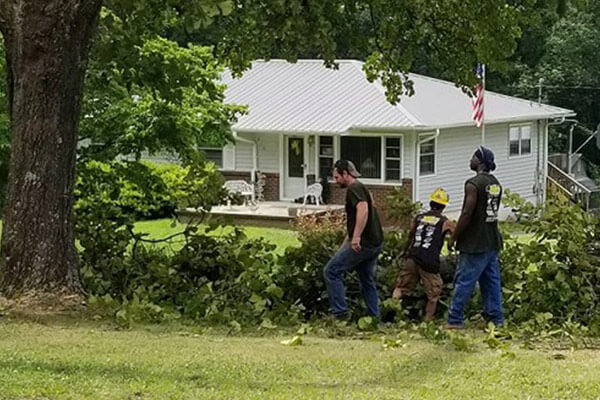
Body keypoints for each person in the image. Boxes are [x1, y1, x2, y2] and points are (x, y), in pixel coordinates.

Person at [447, 146, 504, 329]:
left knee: (464, 281)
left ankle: (455, 319)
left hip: (474, 242)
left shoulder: (473, 183)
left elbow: (467, 213)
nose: (470, 159)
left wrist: (454, 237)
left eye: (473, 156)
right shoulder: (495, 183)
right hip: (492, 240)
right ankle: (495, 319)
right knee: (491, 282)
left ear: (479, 162)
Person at [323, 159, 384, 320]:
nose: (335, 181)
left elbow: (362, 210)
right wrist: (346, 243)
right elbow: (356, 221)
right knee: (366, 279)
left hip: (364, 244)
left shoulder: (354, 188)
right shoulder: (362, 188)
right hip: (374, 243)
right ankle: (374, 316)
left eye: (337, 177)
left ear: (345, 174)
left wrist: (356, 238)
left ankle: (340, 313)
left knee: (331, 271)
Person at [391, 188, 455, 321]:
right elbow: (456, 235)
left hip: (412, 256)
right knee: (434, 294)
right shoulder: (445, 222)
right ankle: (427, 321)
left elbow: (410, 237)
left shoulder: (419, 218)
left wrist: (404, 252)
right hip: (429, 260)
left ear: (431, 203)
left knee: (400, 287)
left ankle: (393, 315)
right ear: (443, 206)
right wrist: (450, 244)